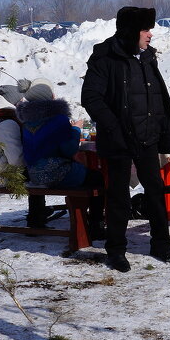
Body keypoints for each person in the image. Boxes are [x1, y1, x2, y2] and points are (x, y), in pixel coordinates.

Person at [82, 7, 170, 272]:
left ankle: (161, 244)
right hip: (119, 140)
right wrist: (114, 128)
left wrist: (162, 127)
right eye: (145, 29)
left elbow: (155, 95)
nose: (150, 34)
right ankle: (116, 251)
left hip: (147, 137)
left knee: (156, 191)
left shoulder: (147, 57)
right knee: (118, 196)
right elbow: (91, 97)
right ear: (131, 31)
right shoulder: (105, 56)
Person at [17, 79, 103, 236]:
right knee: (98, 179)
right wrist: (76, 129)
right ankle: (96, 225)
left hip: (34, 175)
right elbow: (69, 150)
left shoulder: (26, 122)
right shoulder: (59, 119)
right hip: (58, 173)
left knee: (40, 177)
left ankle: (35, 220)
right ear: (49, 96)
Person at [0, 79, 61, 228]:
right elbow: (17, 160)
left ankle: (38, 214)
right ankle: (36, 218)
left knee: (34, 169)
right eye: (19, 101)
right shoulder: (8, 124)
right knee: (35, 171)